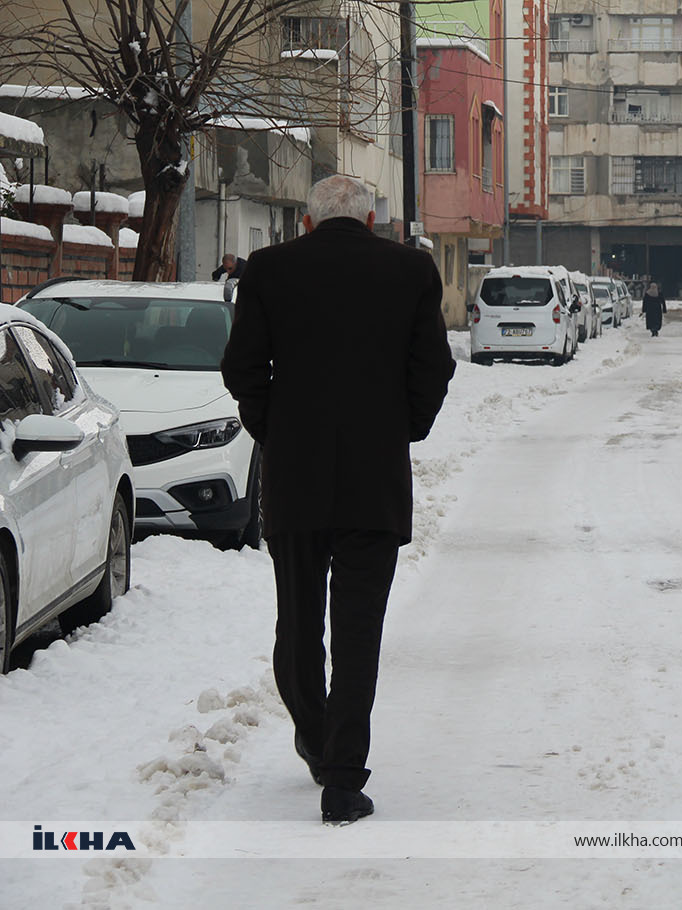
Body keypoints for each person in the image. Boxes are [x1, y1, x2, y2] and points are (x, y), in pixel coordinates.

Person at [220, 175, 456, 825]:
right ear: (374, 219)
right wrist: (401, 427)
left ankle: (316, 737)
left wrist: (276, 428)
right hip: (374, 481)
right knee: (358, 631)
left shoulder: (268, 270)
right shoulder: (411, 271)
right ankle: (343, 778)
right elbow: (432, 368)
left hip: (294, 476)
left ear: (306, 222)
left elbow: (242, 368)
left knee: (297, 622)